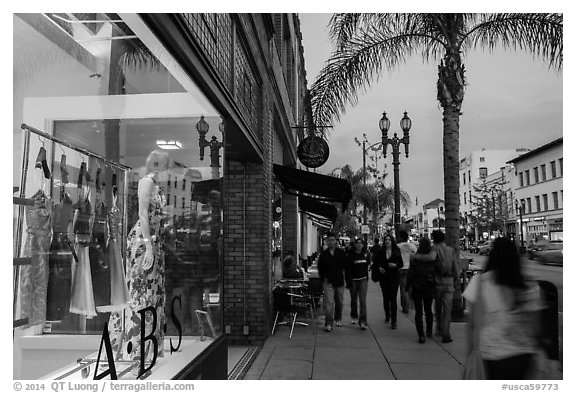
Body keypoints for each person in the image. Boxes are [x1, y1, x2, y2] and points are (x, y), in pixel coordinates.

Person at [109, 150, 170, 362]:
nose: (167, 169)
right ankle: (135, 349)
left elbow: (153, 214)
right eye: (165, 164)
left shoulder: (156, 186)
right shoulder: (146, 183)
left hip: (153, 241)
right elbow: (142, 214)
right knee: (140, 293)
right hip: (143, 243)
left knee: (153, 294)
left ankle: (149, 349)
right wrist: (149, 246)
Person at [463, 237, 543, 379]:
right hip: (522, 356)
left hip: (490, 356)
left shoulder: (480, 282)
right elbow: (536, 327)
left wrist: (470, 354)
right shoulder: (529, 284)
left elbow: (472, 325)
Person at [431, 230, 460, 343]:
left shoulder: (433, 249)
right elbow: (456, 267)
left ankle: (439, 327)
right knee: (447, 310)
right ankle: (446, 333)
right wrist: (456, 279)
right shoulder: (450, 250)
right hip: (449, 282)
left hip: (437, 282)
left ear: (434, 239)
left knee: (438, 306)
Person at [407, 238, 437, 343]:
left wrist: (408, 286)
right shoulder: (432, 258)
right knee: (428, 309)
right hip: (429, 286)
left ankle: (421, 335)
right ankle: (429, 330)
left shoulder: (415, 258)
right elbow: (437, 271)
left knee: (418, 312)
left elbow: (411, 273)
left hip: (417, 286)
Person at [317, 232, 348, 332]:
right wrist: (323, 278)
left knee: (339, 302)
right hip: (328, 281)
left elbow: (346, 267)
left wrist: (347, 279)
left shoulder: (341, 253)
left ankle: (338, 318)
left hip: (339, 281)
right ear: (326, 241)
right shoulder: (324, 254)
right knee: (329, 302)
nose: (331, 242)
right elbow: (320, 267)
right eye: (329, 240)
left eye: (333, 240)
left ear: (336, 241)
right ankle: (328, 322)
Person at [373, 233, 403, 329]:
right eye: (386, 240)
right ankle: (387, 315)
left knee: (393, 298)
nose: (387, 241)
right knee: (386, 297)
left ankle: (394, 321)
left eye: (389, 240)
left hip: (394, 276)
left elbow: (401, 264)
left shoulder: (396, 251)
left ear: (392, 241)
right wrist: (379, 268)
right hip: (384, 276)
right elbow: (376, 263)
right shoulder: (380, 251)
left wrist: (395, 265)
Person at [345, 238, 370, 330]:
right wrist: (348, 282)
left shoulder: (366, 254)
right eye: (357, 243)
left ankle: (363, 321)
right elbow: (348, 270)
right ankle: (354, 315)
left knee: (363, 301)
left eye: (361, 243)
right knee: (354, 300)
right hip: (353, 280)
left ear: (363, 245)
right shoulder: (350, 255)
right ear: (355, 245)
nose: (359, 245)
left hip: (363, 280)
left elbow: (368, 265)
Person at [397, 230, 417, 314]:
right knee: (410, 288)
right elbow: (416, 256)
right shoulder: (412, 246)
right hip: (410, 268)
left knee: (403, 288)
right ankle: (411, 305)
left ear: (401, 237)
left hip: (401, 268)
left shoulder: (397, 246)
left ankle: (405, 307)